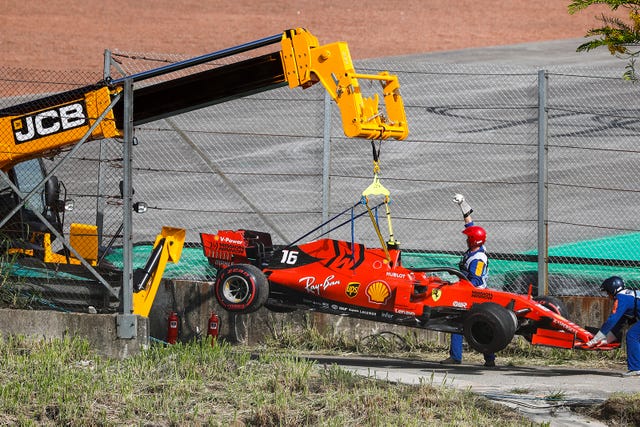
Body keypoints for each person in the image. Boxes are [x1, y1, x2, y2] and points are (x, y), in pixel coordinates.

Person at [440, 193, 496, 367]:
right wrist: (463, 206)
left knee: (459, 322)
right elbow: (471, 226)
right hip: (468, 292)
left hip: (474, 296)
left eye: (467, 238)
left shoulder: (477, 259)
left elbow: (476, 282)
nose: (466, 238)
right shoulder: (477, 247)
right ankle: (489, 360)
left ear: (472, 241)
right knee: (480, 325)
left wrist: (458, 284)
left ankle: (459, 357)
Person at [586, 276, 640, 377]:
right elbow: (620, 324)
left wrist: (596, 338)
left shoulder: (622, 298)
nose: (608, 295)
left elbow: (612, 320)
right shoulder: (628, 296)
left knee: (632, 336)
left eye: (608, 292)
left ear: (613, 290)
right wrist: (605, 341)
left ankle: (636, 369)